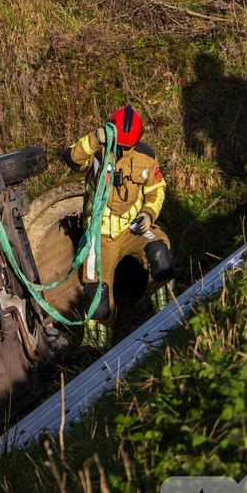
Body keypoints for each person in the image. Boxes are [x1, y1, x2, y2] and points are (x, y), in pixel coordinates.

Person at [65, 106, 176, 350]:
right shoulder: (97, 152)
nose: (123, 150)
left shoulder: (146, 157)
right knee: (98, 293)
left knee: (159, 254)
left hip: (133, 229)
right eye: (120, 145)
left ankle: (170, 317)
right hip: (100, 235)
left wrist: (148, 214)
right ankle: (96, 346)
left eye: (128, 146)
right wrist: (95, 139)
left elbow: (156, 190)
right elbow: (71, 158)